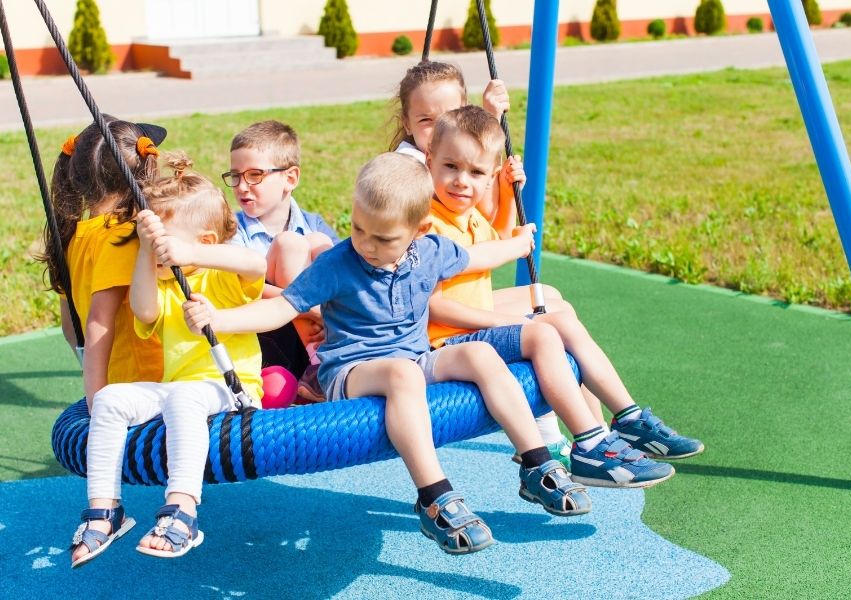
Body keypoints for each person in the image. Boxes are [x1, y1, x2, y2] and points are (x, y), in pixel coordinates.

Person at [183, 153, 593, 556]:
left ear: (420, 230)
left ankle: (536, 463)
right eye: (359, 229)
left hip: (413, 358)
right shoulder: (338, 263)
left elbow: (478, 257)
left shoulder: (431, 250)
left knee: (481, 354)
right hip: (351, 371)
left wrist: (519, 244)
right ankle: (434, 497)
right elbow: (281, 307)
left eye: (383, 239)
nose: (366, 245)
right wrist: (218, 319)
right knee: (403, 375)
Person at [425, 105, 703, 489]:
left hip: (470, 319)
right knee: (542, 332)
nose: (461, 181)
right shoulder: (427, 220)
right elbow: (432, 308)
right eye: (450, 167)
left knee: (559, 313)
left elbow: (500, 238)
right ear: (429, 161)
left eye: (476, 173)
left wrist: (507, 192)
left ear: (488, 178)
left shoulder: (467, 217)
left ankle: (627, 418)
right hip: (445, 339)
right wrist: (507, 321)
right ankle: (589, 443)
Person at [69, 154, 294, 567]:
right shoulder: (162, 287)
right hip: (176, 390)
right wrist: (145, 246)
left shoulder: (220, 280)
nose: (156, 257)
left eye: (164, 249)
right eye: (151, 250)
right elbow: (143, 309)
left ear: (204, 244)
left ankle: (183, 510)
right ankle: (106, 511)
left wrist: (188, 252)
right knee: (111, 399)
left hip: (230, 390)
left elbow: (254, 263)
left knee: (184, 398)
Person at [389, 61, 572, 459]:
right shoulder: (411, 175)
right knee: (545, 324)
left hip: (465, 295)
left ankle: (596, 431)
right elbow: (458, 258)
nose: (439, 127)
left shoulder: (452, 166)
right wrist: (512, 246)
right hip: (433, 319)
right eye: (427, 121)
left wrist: (504, 185)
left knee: (556, 303)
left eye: (448, 116)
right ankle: (560, 436)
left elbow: (486, 226)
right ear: (406, 122)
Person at [41, 116, 165, 408]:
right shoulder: (123, 236)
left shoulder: (72, 236)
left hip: (118, 382)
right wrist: (96, 399)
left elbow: (71, 326)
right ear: (144, 170)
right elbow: (99, 320)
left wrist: (96, 375)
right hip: (150, 381)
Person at [224, 120, 339, 400]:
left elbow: (342, 275)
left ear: (290, 178)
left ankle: (327, 356)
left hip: (319, 325)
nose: (241, 186)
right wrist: (308, 308)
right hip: (270, 332)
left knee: (317, 243)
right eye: (235, 176)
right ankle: (319, 367)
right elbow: (244, 288)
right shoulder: (233, 229)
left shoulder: (314, 225)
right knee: (289, 244)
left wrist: (326, 312)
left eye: (254, 175)